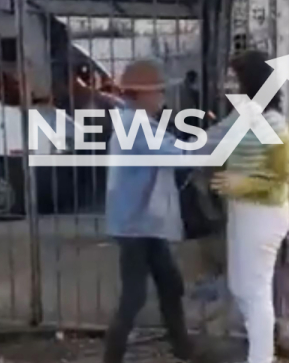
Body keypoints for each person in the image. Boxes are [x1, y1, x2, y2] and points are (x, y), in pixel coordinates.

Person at [204, 50, 289, 363]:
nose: (227, 85)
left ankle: (261, 358)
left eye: (234, 79)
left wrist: (245, 184)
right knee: (242, 287)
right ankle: (259, 354)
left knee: (254, 291)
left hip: (262, 215)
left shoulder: (268, 121)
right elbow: (210, 141)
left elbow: (287, 169)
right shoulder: (245, 117)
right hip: (246, 213)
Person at [104, 60, 193, 363]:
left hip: (141, 221)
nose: (162, 99)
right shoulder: (135, 126)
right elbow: (177, 154)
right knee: (135, 296)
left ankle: (183, 349)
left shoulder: (135, 122)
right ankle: (112, 357)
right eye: (157, 92)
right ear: (140, 95)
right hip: (135, 224)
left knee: (170, 284)